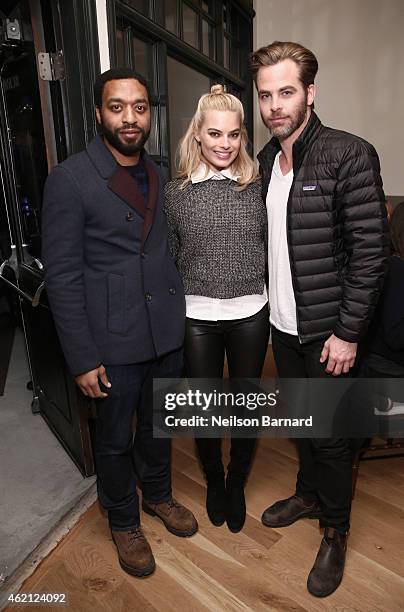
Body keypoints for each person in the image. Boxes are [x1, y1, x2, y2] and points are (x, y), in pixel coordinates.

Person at [42, 68, 197, 579]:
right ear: (98, 113)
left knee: (157, 427)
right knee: (113, 440)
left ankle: (157, 496)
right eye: (117, 106)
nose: (129, 117)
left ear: (149, 113)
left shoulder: (154, 170)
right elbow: (63, 277)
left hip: (162, 333)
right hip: (111, 341)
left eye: (139, 106)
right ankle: (124, 521)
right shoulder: (70, 178)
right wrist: (83, 357)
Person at [250, 42, 388, 597]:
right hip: (284, 328)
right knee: (302, 423)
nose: (274, 106)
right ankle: (309, 494)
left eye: (286, 92)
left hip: (331, 332)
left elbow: (371, 252)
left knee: (331, 438)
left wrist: (348, 331)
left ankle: (336, 529)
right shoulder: (265, 163)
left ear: (311, 93)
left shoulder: (348, 154)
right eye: (265, 95)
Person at [164, 85, 269, 533]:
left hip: (250, 312)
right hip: (197, 317)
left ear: (243, 136)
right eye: (215, 134)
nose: (225, 144)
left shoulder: (259, 188)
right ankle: (213, 479)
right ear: (198, 136)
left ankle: (238, 480)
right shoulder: (176, 194)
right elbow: (170, 256)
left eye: (234, 134)